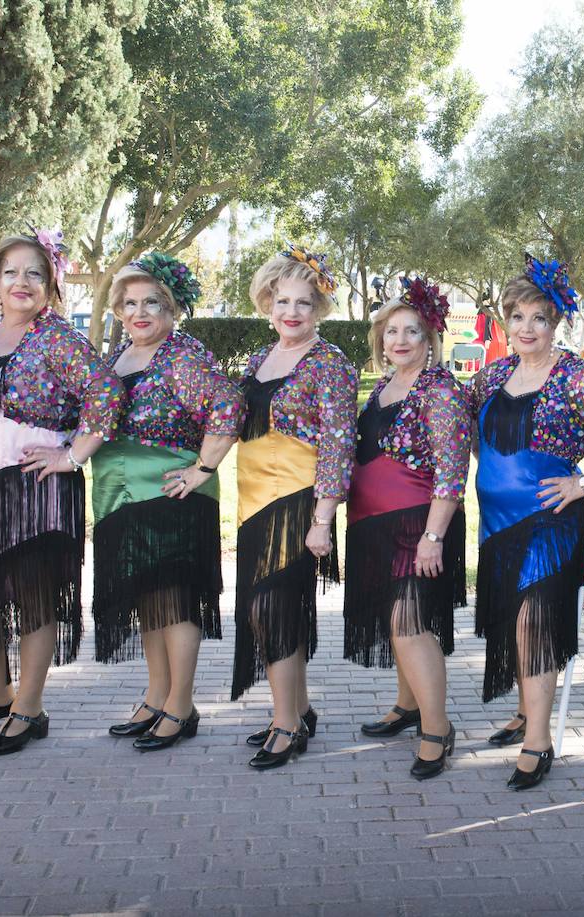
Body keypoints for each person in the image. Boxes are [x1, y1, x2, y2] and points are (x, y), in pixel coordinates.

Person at [0, 228, 122, 755]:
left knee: (31, 596)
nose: (22, 282)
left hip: (34, 485)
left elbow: (106, 391)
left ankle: (29, 707)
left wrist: (72, 455)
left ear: (51, 285)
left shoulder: (57, 337)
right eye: (11, 272)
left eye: (35, 273)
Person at [470, 255, 584, 790]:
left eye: (538, 318)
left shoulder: (575, 376)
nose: (526, 328)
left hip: (551, 518)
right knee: (512, 621)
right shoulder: (493, 374)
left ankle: (537, 739)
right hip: (497, 522)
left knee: (535, 623)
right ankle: (525, 711)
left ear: (555, 322)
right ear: (505, 322)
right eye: (517, 317)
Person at [92, 253, 244, 751]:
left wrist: (203, 468)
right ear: (118, 311)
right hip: (123, 495)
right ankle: (156, 695)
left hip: (170, 494)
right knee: (147, 600)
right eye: (130, 303)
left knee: (175, 603)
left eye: (151, 303)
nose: (139, 312)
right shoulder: (118, 357)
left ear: (171, 309)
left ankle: (181, 704)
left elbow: (229, 405)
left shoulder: (181, 355)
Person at [234, 245, 357, 770]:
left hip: (298, 503)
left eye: (303, 303)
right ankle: (297, 708)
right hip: (251, 504)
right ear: (267, 301)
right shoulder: (259, 359)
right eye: (282, 300)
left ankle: (287, 725)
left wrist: (323, 520)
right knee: (265, 615)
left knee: (274, 611)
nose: (291, 312)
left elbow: (338, 444)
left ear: (319, 309)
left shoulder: (330, 364)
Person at [344, 276, 470, 780]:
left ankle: (437, 728)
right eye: (391, 331)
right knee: (397, 623)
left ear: (429, 339)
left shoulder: (438, 390)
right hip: (373, 523)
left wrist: (433, 536)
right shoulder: (382, 388)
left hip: (419, 526)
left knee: (411, 625)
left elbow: (452, 469)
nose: (399, 340)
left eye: (411, 331)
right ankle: (408, 704)